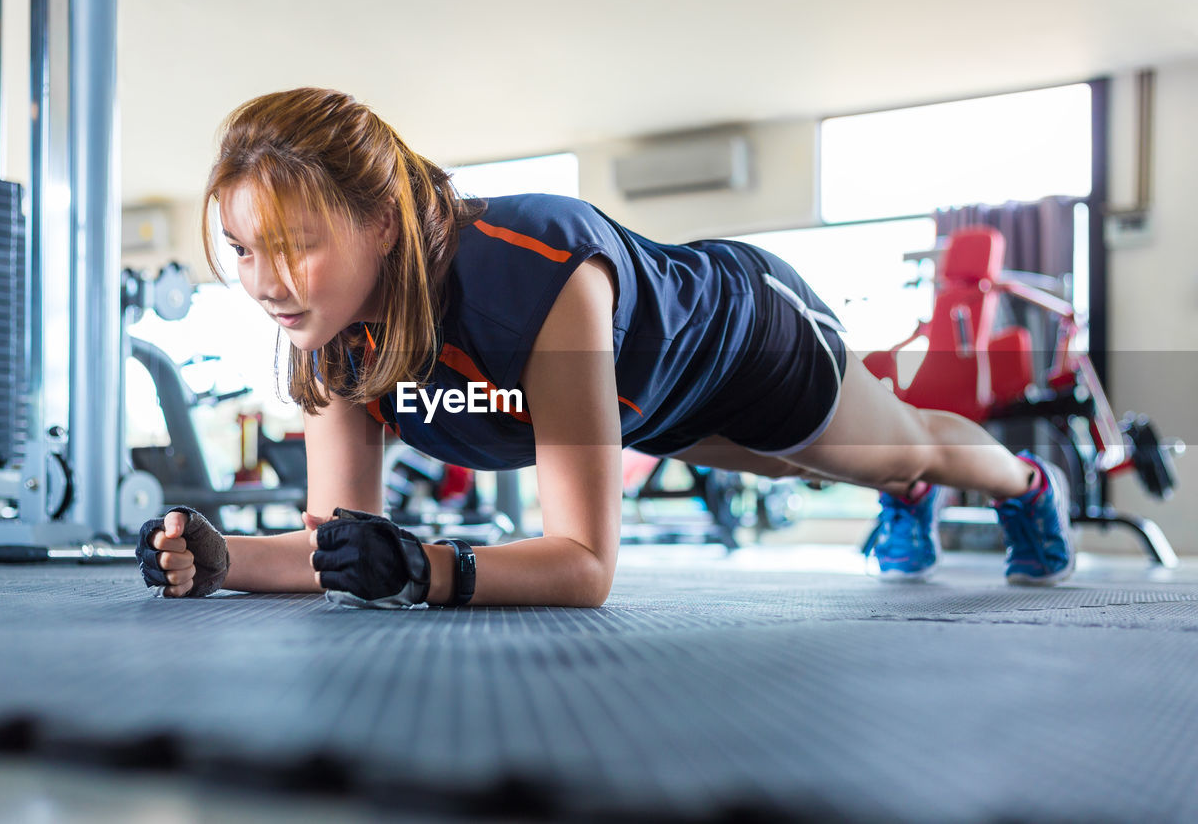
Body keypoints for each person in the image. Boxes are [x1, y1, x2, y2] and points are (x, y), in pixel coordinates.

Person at [136, 87, 1074, 609]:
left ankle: (1029, 486)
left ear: (383, 222)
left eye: (297, 242)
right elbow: (333, 541)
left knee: (898, 446)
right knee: (802, 471)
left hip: (750, 337)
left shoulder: (533, 278)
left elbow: (585, 564)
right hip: (656, 404)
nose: (266, 280)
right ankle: (905, 491)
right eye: (247, 248)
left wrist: (424, 567)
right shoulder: (332, 341)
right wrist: (224, 560)